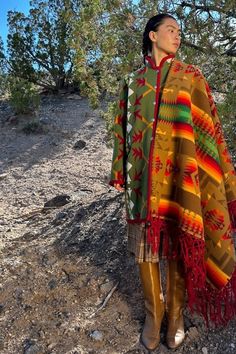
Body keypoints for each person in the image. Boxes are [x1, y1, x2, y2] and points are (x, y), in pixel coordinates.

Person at [109, 13, 236, 351]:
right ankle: (155, 313)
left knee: (180, 242)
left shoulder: (191, 77)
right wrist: (119, 169)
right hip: (141, 181)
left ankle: (176, 315)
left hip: (180, 178)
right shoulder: (132, 82)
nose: (177, 36)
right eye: (170, 30)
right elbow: (122, 129)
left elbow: (209, 127)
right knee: (144, 248)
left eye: (180, 32)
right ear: (152, 36)